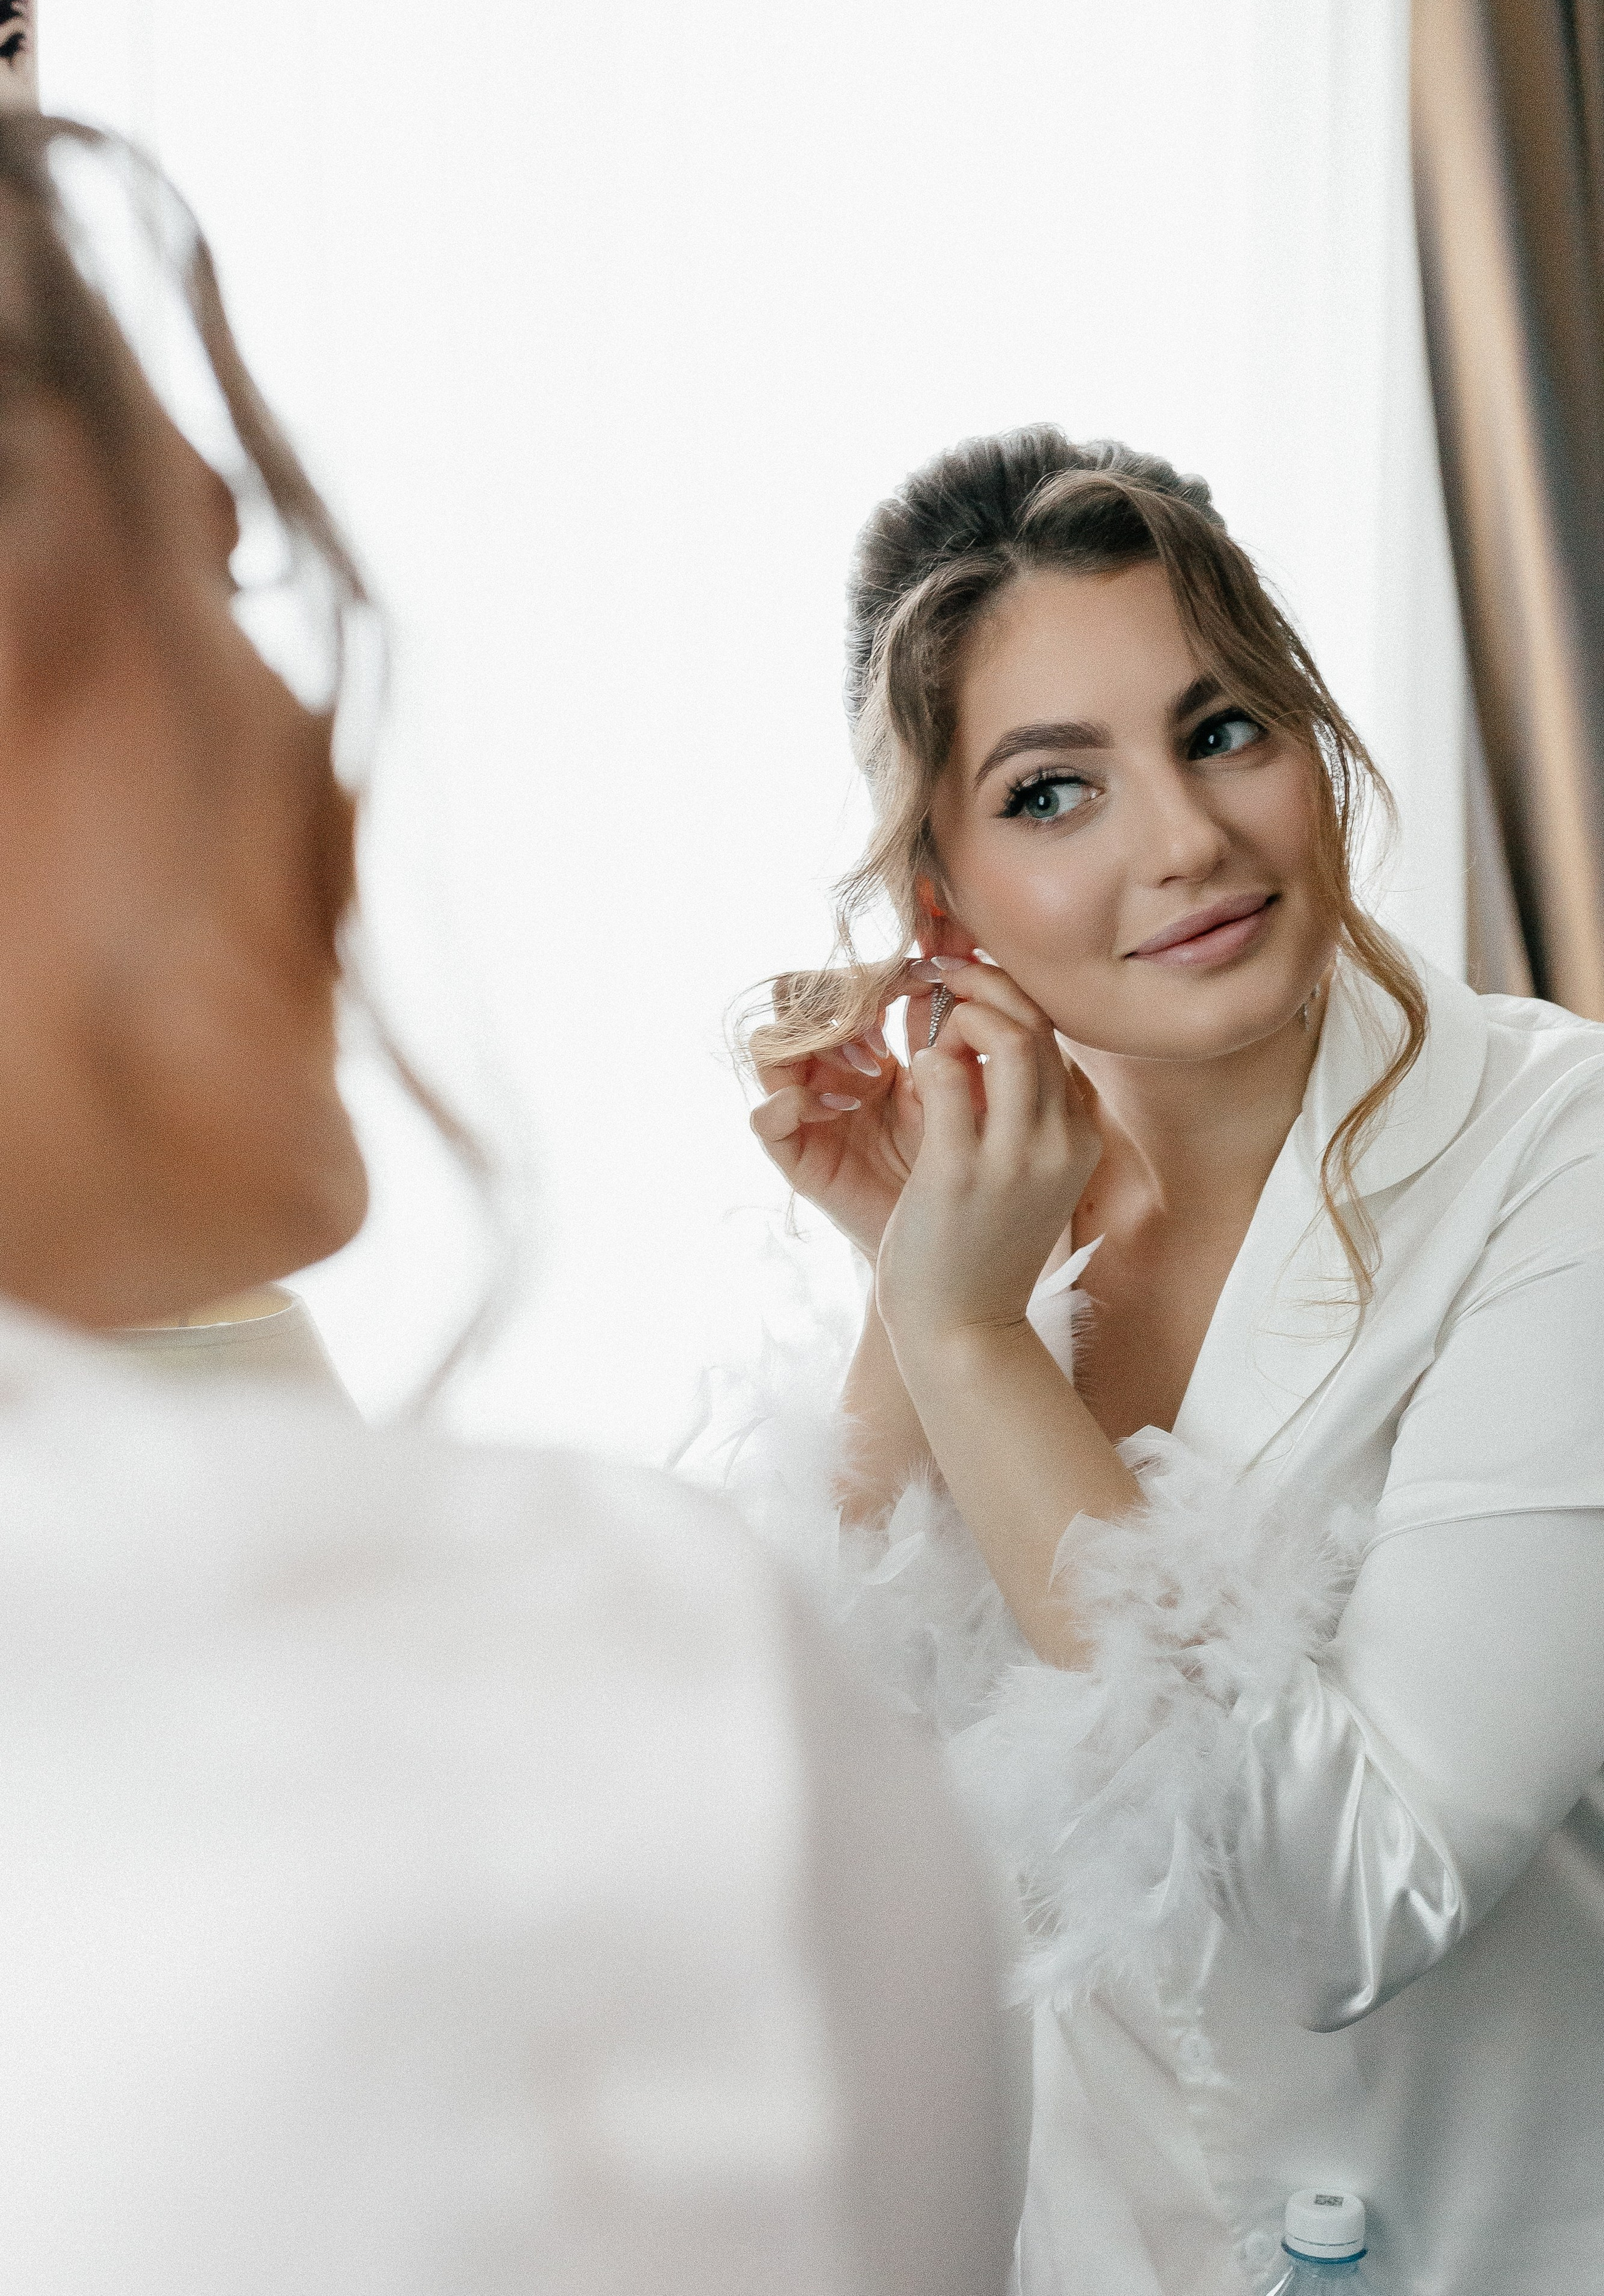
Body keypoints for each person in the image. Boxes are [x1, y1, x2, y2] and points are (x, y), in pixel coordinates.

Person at [0, 112, 1017, 2296]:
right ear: (927, 884)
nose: (314, 734)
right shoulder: (566, 1713)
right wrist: (947, 1323)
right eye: (217, 581)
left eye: (1226, 734)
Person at [743, 426, 1604, 2296]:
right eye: (1055, 793)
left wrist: (970, 1344)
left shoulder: (1564, 1158)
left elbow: (1356, 1897)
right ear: (944, 909)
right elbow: (811, 1828)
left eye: (1222, 733)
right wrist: (919, 1293)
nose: (1187, 841)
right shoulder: (996, 1227)